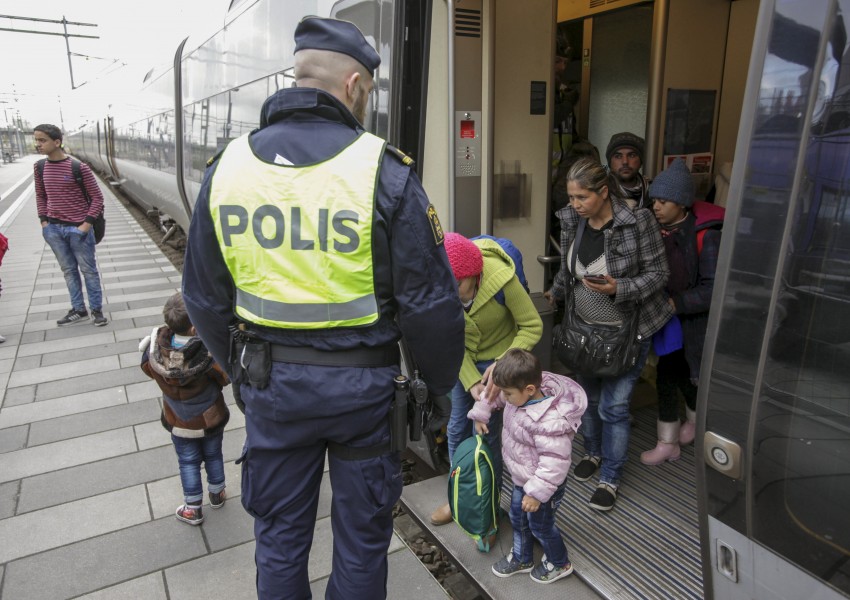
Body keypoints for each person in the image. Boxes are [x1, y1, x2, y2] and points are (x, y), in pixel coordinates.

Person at [181, 16, 464, 600]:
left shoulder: (227, 167)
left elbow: (202, 297)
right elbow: (430, 304)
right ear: (355, 83)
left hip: (273, 390)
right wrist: (438, 389)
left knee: (280, 537)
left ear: (298, 74)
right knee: (362, 540)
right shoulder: (383, 170)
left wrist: (239, 368)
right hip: (364, 394)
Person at [544, 157, 670, 511]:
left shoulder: (637, 222)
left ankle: (611, 476)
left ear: (603, 192)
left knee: (614, 407)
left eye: (581, 197)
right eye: (570, 197)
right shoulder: (572, 220)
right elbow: (570, 270)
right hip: (585, 331)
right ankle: (594, 453)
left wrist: (620, 288)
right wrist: (556, 291)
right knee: (589, 401)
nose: (574, 205)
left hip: (628, 332)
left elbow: (659, 274)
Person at [430, 233, 543, 526]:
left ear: (475, 275)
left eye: (459, 285)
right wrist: (470, 382)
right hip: (462, 361)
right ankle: (459, 498)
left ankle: (487, 508)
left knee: (488, 436)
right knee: (456, 429)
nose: (452, 292)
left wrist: (501, 365)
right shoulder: (439, 287)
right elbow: (447, 341)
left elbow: (531, 326)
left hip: (501, 361)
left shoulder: (502, 280)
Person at [468, 349, 587, 585]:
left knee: (541, 526)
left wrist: (536, 494)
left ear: (530, 390)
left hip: (541, 486)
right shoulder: (518, 394)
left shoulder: (550, 422)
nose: (504, 396)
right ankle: (523, 558)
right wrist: (482, 413)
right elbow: (494, 397)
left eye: (508, 393)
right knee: (518, 518)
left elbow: (555, 463)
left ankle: (559, 562)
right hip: (522, 477)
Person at [641, 159, 721, 464]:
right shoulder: (654, 232)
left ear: (683, 203)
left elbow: (713, 290)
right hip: (665, 320)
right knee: (670, 375)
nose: (656, 207)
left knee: (683, 377)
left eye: (663, 202)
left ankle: (678, 436)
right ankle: (676, 436)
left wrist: (676, 303)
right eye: (654, 201)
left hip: (692, 323)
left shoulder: (705, 236)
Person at [140, 292, 230, 525]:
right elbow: (224, 377)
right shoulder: (206, 351)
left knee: (187, 462)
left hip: (178, 419)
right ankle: (217, 493)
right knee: (213, 454)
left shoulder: (156, 350)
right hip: (210, 418)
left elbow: (147, 368)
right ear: (194, 330)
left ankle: (192, 508)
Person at [33, 124, 108, 327]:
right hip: (54, 229)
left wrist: (85, 225)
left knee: (88, 270)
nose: (37, 144)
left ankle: (96, 310)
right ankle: (78, 309)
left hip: (78, 230)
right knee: (68, 271)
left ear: (57, 142)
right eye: (37, 140)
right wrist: (44, 222)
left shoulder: (78, 167)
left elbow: (97, 198)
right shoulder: (39, 167)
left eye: (42, 140)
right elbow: (41, 195)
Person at [606, 131, 651, 211]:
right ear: (610, 163)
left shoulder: (654, 192)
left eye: (632, 155)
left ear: (641, 161)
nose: (625, 162)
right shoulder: (601, 194)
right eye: (618, 156)